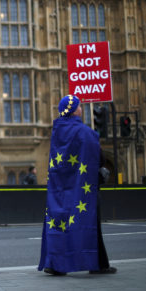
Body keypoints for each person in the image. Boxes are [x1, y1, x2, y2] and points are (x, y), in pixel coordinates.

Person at [38, 95, 116, 276]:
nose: (81, 109)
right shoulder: (84, 132)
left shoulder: (57, 131)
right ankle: (98, 264)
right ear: (74, 110)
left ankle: (55, 264)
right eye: (79, 106)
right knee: (89, 225)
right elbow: (99, 157)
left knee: (59, 225)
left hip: (60, 190)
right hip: (83, 189)